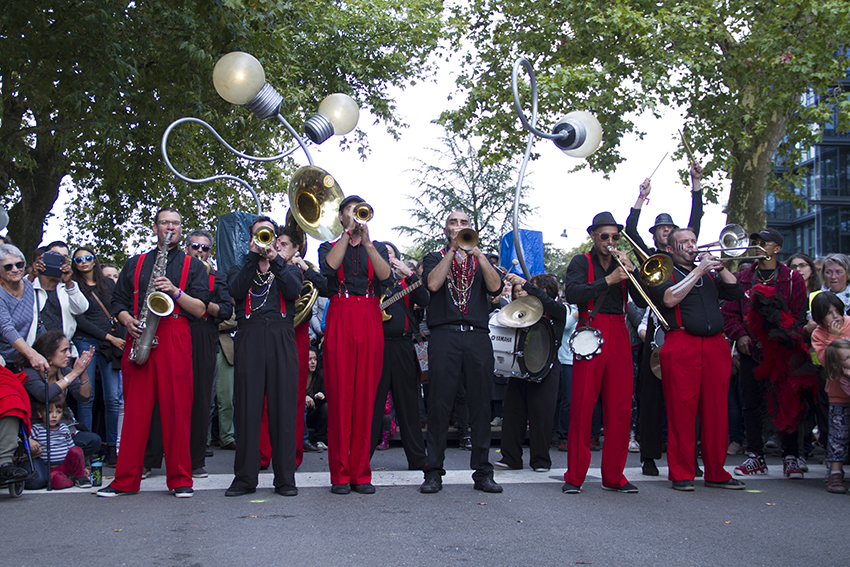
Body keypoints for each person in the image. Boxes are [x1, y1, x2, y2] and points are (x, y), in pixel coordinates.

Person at [98, 207, 211, 498]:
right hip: (140, 333)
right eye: (164, 223)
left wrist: (175, 291)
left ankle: (181, 480)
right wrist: (127, 320)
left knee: (177, 411)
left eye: (175, 223)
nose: (170, 228)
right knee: (135, 413)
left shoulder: (194, 266)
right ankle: (124, 481)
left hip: (175, 334)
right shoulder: (135, 263)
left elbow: (200, 309)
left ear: (181, 229)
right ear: (155, 227)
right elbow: (118, 303)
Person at [647, 228, 746, 491]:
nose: (692, 246)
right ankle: (681, 473)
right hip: (682, 343)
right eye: (684, 242)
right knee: (682, 412)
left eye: (693, 241)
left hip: (715, 345)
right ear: (671, 249)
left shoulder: (710, 274)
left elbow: (737, 293)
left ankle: (716, 471)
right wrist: (699, 271)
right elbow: (669, 299)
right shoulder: (663, 272)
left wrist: (721, 269)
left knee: (716, 412)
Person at [625, 162, 704, 477]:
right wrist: (640, 198)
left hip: (683, 328)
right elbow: (630, 232)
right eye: (661, 228)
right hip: (657, 329)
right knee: (650, 396)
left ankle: (689, 457)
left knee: (687, 398)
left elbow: (695, 220)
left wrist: (696, 184)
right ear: (656, 234)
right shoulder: (649, 257)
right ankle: (648, 456)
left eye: (670, 228)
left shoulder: (685, 253)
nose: (666, 231)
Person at [419, 211, 504, 494]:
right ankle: (433, 472)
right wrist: (453, 250)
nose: (459, 227)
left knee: (481, 406)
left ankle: (483, 472)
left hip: (477, 336)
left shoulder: (482, 260)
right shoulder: (435, 257)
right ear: (445, 229)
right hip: (445, 335)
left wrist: (478, 254)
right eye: (453, 223)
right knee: (439, 404)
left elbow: (495, 288)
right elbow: (433, 284)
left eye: (464, 223)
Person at [562, 211, 647, 494]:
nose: (610, 241)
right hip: (591, 328)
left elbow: (641, 301)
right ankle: (575, 476)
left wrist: (633, 274)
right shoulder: (581, 261)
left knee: (620, 407)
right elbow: (573, 293)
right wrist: (609, 280)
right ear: (593, 236)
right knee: (583, 406)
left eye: (615, 237)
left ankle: (614, 476)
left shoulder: (623, 263)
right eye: (605, 236)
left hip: (619, 330)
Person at [721, 228, 812, 479]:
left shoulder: (793, 279)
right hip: (751, 350)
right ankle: (755, 456)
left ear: (777, 248)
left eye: (764, 242)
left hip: (782, 352)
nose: (758, 246)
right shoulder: (742, 277)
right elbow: (729, 313)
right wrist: (740, 335)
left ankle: (791, 456)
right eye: (756, 242)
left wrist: (775, 337)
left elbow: (797, 316)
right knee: (751, 403)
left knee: (788, 401)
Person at [319, 196, 391, 495]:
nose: (357, 215)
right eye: (351, 210)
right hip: (341, 311)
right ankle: (340, 474)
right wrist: (348, 234)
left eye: (360, 211)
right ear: (341, 215)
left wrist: (369, 244)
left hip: (370, 312)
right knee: (340, 398)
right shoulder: (329, 246)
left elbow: (386, 277)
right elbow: (329, 268)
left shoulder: (379, 248)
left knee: (365, 398)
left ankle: (361, 473)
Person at [224, 216, 301, 497]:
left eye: (267, 235)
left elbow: (293, 290)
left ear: (276, 240)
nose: (263, 239)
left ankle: (285, 479)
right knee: (247, 408)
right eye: (258, 235)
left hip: (281, 333)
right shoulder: (239, 268)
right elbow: (235, 290)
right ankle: (245, 479)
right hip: (250, 333)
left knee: (283, 409)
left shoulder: (289, 269)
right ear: (250, 240)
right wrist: (253, 257)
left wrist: (275, 259)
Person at [496, 273, 566, 473]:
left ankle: (541, 460)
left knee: (541, 415)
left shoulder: (557, 310)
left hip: (546, 369)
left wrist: (524, 283)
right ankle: (511, 457)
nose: (523, 292)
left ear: (543, 291)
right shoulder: (520, 311)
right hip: (520, 367)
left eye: (530, 288)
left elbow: (548, 303)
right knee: (513, 413)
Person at [369, 241, 429, 470]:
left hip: (404, 346)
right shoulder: (371, 284)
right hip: (378, 347)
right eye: (383, 254)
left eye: (391, 254)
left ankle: (417, 458)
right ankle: (362, 460)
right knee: (373, 405)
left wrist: (410, 274)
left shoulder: (406, 283)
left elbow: (424, 300)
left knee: (408, 404)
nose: (388, 257)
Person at [276, 222, 328, 465]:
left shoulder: (305, 270)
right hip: (272, 331)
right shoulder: (265, 266)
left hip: (296, 333)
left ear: (296, 248)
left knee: (296, 397)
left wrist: (304, 268)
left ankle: (293, 452)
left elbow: (324, 288)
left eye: (285, 244)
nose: (279, 247)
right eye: (277, 243)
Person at [20, 330, 98, 489]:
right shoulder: (29, 373)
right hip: (37, 437)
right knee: (36, 482)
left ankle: (64, 468)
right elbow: (45, 395)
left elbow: (84, 397)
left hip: (59, 433)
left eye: (69, 350)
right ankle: (55, 470)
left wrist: (82, 371)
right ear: (48, 355)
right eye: (64, 351)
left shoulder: (65, 372)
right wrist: (74, 373)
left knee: (93, 440)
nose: (69, 355)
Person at [70, 247, 125, 466]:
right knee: (87, 397)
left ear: (95, 260)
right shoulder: (73, 287)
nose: (84, 262)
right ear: (74, 264)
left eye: (88, 258)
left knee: (113, 398)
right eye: (79, 260)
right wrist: (108, 337)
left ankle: (112, 448)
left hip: (110, 345)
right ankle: (87, 449)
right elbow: (79, 319)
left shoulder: (108, 284)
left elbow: (118, 309)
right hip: (86, 341)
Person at [185, 229, 232, 478]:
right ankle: (154, 458)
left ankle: (195, 460)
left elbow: (225, 311)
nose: (199, 251)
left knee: (202, 401)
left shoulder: (218, 277)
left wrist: (203, 305)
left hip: (204, 335)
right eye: (195, 246)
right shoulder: (176, 273)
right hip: (177, 333)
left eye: (204, 248)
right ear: (187, 249)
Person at [30, 241, 89, 359]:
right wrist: (32, 276)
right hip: (34, 351)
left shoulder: (68, 287)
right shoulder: (30, 284)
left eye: (64, 257)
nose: (61, 261)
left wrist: (69, 283)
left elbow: (82, 308)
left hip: (63, 353)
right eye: (55, 256)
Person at [0, 244, 45, 373]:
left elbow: (36, 322)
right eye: (8, 267)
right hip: (3, 359)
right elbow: (6, 328)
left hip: (22, 359)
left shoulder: (29, 287)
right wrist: (32, 354)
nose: (15, 269)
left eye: (19, 265)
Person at [29, 399, 91, 489]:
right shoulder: (37, 429)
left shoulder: (64, 428)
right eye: (49, 412)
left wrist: (81, 468)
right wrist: (29, 440)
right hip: (50, 468)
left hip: (65, 464)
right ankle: (71, 481)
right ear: (40, 414)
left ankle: (80, 476)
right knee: (57, 481)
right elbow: (20, 438)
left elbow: (72, 449)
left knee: (76, 450)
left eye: (58, 412)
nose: (54, 416)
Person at [820, 338, 850, 494]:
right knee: (838, 435)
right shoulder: (843, 377)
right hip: (839, 399)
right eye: (846, 359)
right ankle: (835, 473)